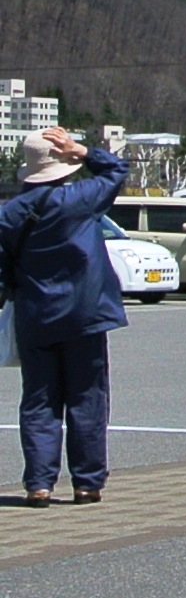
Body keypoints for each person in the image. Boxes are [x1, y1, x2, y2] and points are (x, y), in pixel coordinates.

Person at [1, 129, 127, 505]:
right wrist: (84, 151)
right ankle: (87, 482)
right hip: (85, 313)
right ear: (64, 164)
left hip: (35, 314)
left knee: (39, 400)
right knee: (87, 398)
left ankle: (39, 484)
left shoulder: (9, 214)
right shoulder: (80, 198)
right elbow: (117, 170)